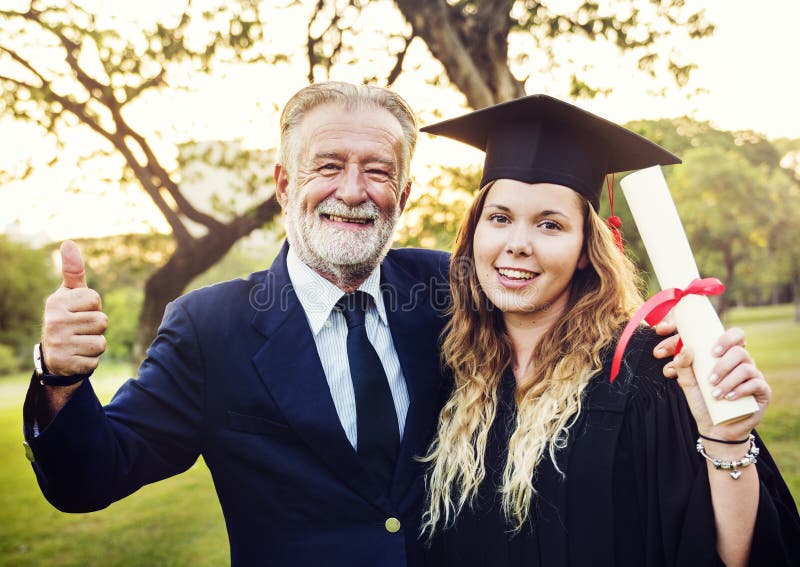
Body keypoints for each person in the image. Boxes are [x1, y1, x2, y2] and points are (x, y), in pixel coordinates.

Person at [23, 81, 452, 566]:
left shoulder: (450, 291)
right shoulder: (209, 328)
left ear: (405, 193)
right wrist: (60, 377)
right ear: (285, 185)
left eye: (378, 171)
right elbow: (89, 478)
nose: (352, 191)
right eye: (328, 166)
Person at [418, 94, 800, 566]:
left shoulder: (649, 367)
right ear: (474, 232)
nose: (517, 244)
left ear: (585, 248)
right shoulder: (449, 366)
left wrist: (728, 439)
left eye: (550, 225)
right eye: (499, 218)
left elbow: (735, 554)